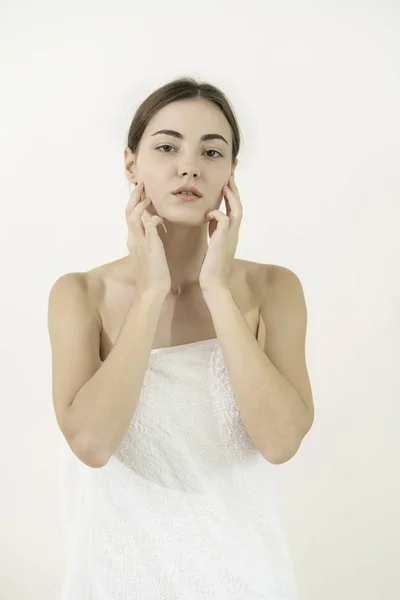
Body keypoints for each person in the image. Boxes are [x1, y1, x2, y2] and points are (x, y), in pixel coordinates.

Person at [48, 77, 303, 599]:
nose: (189, 166)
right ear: (130, 164)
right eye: (167, 146)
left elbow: (279, 442)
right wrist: (151, 293)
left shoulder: (274, 289)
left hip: (246, 578)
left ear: (231, 173)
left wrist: (216, 288)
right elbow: (92, 445)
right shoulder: (80, 294)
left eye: (212, 151)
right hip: (117, 578)